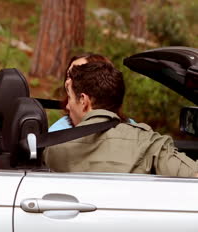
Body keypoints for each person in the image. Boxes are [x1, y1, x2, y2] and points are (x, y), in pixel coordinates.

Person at [43, 61, 197, 176]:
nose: (68, 106)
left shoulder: (53, 149)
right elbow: (193, 175)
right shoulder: (148, 143)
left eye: (69, 97)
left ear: (83, 100)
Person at [48, 53, 136, 132]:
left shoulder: (132, 129)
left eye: (81, 74)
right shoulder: (59, 131)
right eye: (69, 76)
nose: (69, 82)